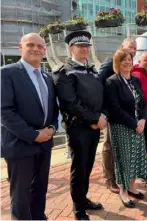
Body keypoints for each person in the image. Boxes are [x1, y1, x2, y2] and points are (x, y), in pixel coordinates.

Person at [1, 33, 59, 220]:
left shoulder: (47, 77)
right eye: (30, 45)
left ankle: (39, 217)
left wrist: (52, 128)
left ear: (44, 51)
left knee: (40, 188)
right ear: (20, 47)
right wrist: (33, 134)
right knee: (20, 194)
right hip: (20, 144)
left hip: (44, 144)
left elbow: (53, 108)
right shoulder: (6, 73)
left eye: (40, 46)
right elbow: (5, 112)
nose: (35, 49)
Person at [53, 30, 106, 220]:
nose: (84, 48)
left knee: (89, 165)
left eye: (86, 46)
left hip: (94, 127)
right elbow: (70, 103)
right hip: (78, 129)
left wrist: (103, 116)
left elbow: (102, 97)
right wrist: (95, 119)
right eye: (80, 45)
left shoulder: (92, 70)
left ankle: (83, 198)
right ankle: (78, 208)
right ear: (70, 48)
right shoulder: (64, 72)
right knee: (79, 168)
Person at [104, 49, 147, 208]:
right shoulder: (112, 82)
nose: (127, 62)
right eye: (123, 59)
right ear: (117, 62)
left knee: (135, 157)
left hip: (138, 126)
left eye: (129, 59)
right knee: (124, 159)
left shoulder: (136, 80)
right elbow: (115, 109)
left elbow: (143, 103)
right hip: (121, 127)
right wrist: (134, 123)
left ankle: (131, 186)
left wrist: (143, 119)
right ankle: (123, 191)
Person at [99, 38, 137, 193]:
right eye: (130, 47)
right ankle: (109, 179)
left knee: (119, 147)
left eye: (135, 49)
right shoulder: (110, 62)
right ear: (121, 47)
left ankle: (120, 177)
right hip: (110, 113)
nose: (133, 51)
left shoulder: (128, 64)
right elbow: (98, 84)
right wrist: (103, 111)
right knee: (109, 145)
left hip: (124, 115)